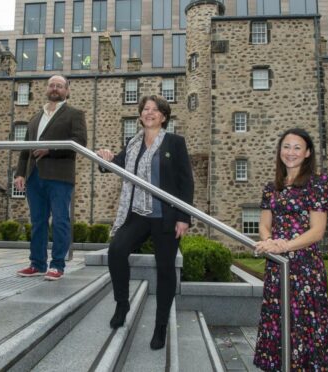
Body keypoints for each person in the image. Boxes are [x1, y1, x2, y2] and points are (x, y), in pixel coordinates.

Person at [96, 95, 194, 350]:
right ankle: (122, 304)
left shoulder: (175, 142)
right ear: (140, 116)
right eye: (145, 109)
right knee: (116, 251)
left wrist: (184, 217)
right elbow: (115, 165)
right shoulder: (132, 143)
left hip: (166, 217)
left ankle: (160, 325)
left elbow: (186, 182)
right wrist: (104, 157)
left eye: (155, 109)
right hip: (138, 214)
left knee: (165, 269)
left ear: (163, 116)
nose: (149, 113)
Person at [253, 128, 328, 371]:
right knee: (277, 319)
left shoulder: (316, 185)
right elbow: (265, 225)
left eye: (297, 147)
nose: (291, 152)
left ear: (307, 153)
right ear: (279, 151)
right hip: (277, 264)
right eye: (286, 146)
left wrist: (284, 245)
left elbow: (317, 231)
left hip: (305, 267)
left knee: (304, 323)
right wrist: (269, 242)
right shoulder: (271, 187)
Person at [15, 75, 87, 281]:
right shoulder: (35, 117)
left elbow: (79, 141)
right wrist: (20, 173)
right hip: (34, 176)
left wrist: (50, 149)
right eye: (52, 85)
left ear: (67, 91)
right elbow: (25, 148)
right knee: (37, 221)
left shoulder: (74, 114)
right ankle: (37, 264)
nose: (55, 88)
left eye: (60, 86)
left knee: (60, 220)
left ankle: (57, 265)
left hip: (59, 176)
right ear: (47, 89)